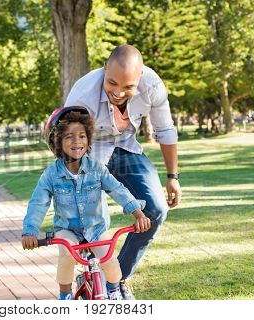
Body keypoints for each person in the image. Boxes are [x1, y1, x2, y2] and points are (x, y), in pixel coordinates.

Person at [64, 44, 182, 299]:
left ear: (140, 78)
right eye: (112, 83)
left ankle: (117, 279)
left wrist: (173, 177)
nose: (118, 92)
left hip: (126, 147)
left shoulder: (152, 86)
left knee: (156, 209)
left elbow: (165, 130)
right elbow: (70, 144)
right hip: (88, 151)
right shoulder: (83, 94)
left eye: (128, 87)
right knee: (92, 222)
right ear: (104, 68)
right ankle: (91, 276)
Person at [21, 106, 150, 300]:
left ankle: (114, 289)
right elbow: (38, 204)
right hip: (67, 230)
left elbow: (117, 189)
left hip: (95, 227)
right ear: (57, 142)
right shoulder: (51, 175)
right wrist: (30, 232)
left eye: (82, 136)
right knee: (66, 254)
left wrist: (137, 213)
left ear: (88, 139)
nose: (77, 142)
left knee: (109, 261)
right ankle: (65, 294)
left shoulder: (97, 169)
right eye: (69, 137)